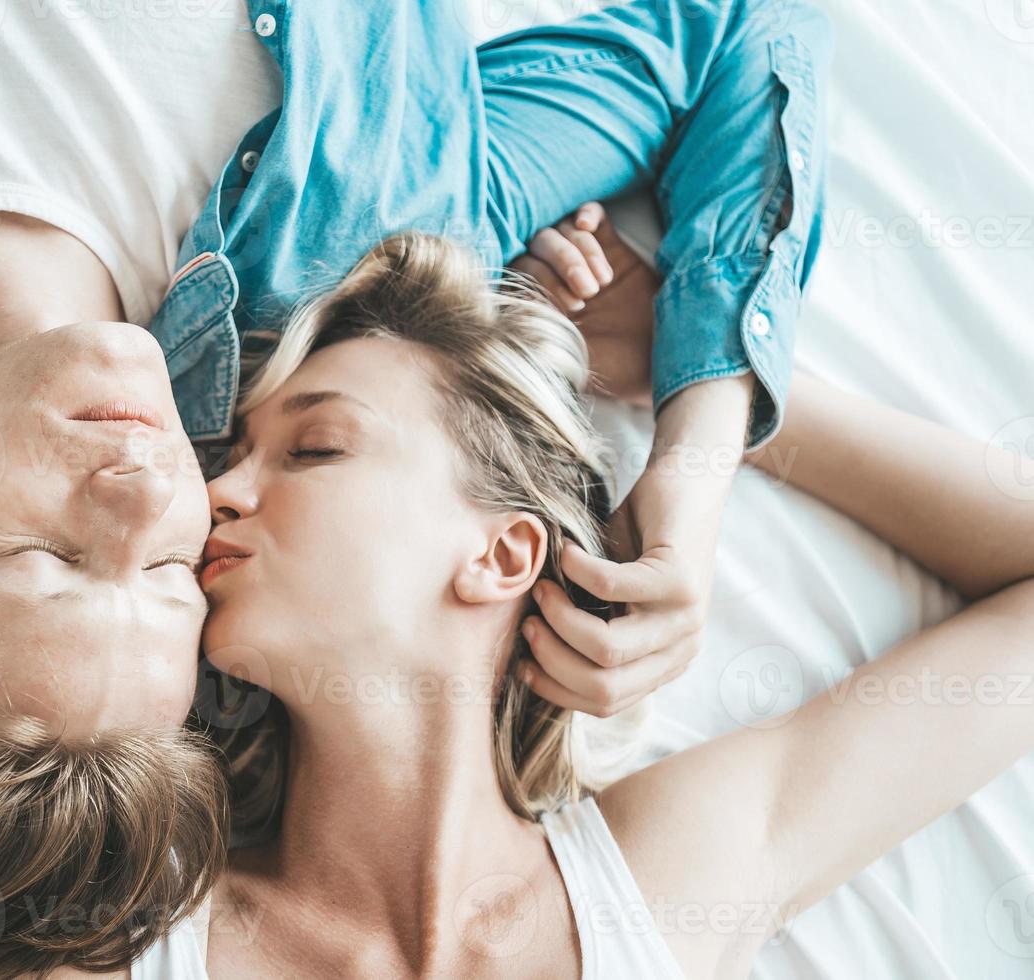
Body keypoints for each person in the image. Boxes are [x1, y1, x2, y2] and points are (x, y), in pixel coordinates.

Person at [0, 0, 832, 974]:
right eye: (171, 571)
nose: (143, 492)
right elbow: (721, 30)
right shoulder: (371, 238)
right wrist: (694, 459)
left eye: (61, 560)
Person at [193, 230, 1034, 978]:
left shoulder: (669, 878)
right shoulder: (131, 933)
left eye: (314, 448)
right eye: (231, 455)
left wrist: (699, 388)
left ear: (500, 555)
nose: (218, 491)